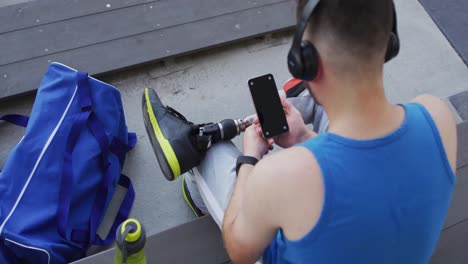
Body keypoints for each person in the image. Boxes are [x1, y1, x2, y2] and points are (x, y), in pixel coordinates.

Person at [142, 0, 458, 263]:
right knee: (316, 106)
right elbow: (365, 179)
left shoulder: (282, 176)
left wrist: (250, 159)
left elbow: (240, 250)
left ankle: (194, 173)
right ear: (389, 45)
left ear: (304, 62)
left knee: (214, 151)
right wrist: (304, 139)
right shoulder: (437, 116)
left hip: (270, 222)